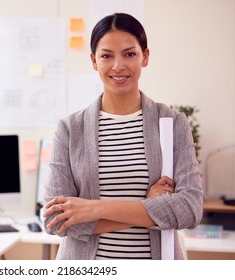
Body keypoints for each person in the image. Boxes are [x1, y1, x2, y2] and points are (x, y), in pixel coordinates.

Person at [43, 13, 203, 260]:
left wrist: (91, 209)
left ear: (145, 57)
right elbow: (56, 220)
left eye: (129, 54)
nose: (118, 66)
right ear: (94, 61)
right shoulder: (70, 129)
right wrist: (149, 207)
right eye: (106, 55)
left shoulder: (173, 123)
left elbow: (189, 210)